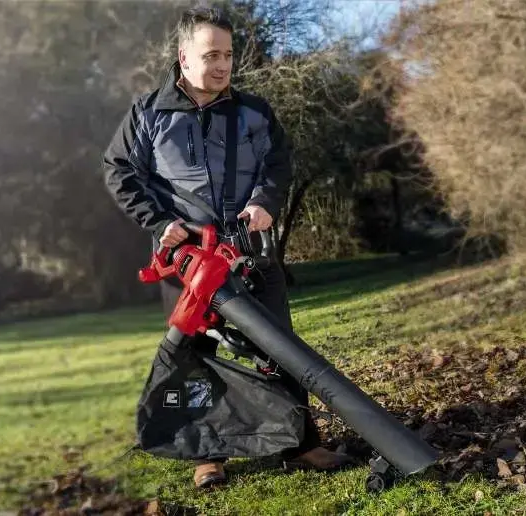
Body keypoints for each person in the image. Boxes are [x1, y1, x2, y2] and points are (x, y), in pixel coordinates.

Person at [101, 7, 353, 489]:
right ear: (183, 57)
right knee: (196, 358)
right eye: (210, 54)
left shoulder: (255, 111)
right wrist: (159, 223)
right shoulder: (148, 113)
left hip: (251, 252)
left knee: (280, 347)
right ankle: (208, 455)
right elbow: (118, 172)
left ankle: (301, 443)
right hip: (188, 263)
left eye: (228, 55)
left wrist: (266, 201)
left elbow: (278, 163)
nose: (222, 65)